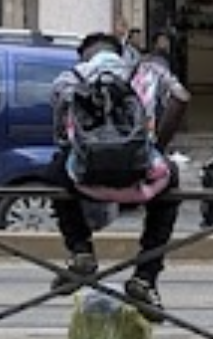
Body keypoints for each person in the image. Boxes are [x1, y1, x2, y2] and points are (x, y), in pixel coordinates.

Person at [48, 31, 191, 323]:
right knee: (170, 189)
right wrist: (157, 150)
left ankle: (81, 251)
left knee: (54, 171)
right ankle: (145, 276)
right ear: (121, 51)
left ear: (85, 55)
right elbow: (181, 97)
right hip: (140, 174)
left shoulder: (69, 77)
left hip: (85, 176)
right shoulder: (149, 71)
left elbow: (61, 134)